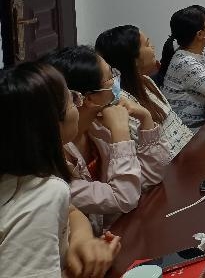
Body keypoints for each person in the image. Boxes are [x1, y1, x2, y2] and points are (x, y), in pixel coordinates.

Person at [0, 62, 121, 278]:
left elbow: (71, 211)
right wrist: (77, 271)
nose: (78, 104)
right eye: (72, 99)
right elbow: (123, 196)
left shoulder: (19, 173)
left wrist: (81, 239)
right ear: (51, 123)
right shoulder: (42, 194)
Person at [47, 46, 170, 235]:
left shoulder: (97, 126)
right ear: (84, 98)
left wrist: (146, 118)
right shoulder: (53, 164)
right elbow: (125, 198)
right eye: (110, 76)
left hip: (121, 231)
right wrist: (120, 133)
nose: (115, 82)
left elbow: (150, 176)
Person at [96, 25, 194, 161]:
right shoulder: (123, 103)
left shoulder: (146, 80)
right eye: (147, 44)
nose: (152, 47)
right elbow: (148, 156)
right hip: (169, 165)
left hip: (187, 152)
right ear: (134, 60)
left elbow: (175, 124)